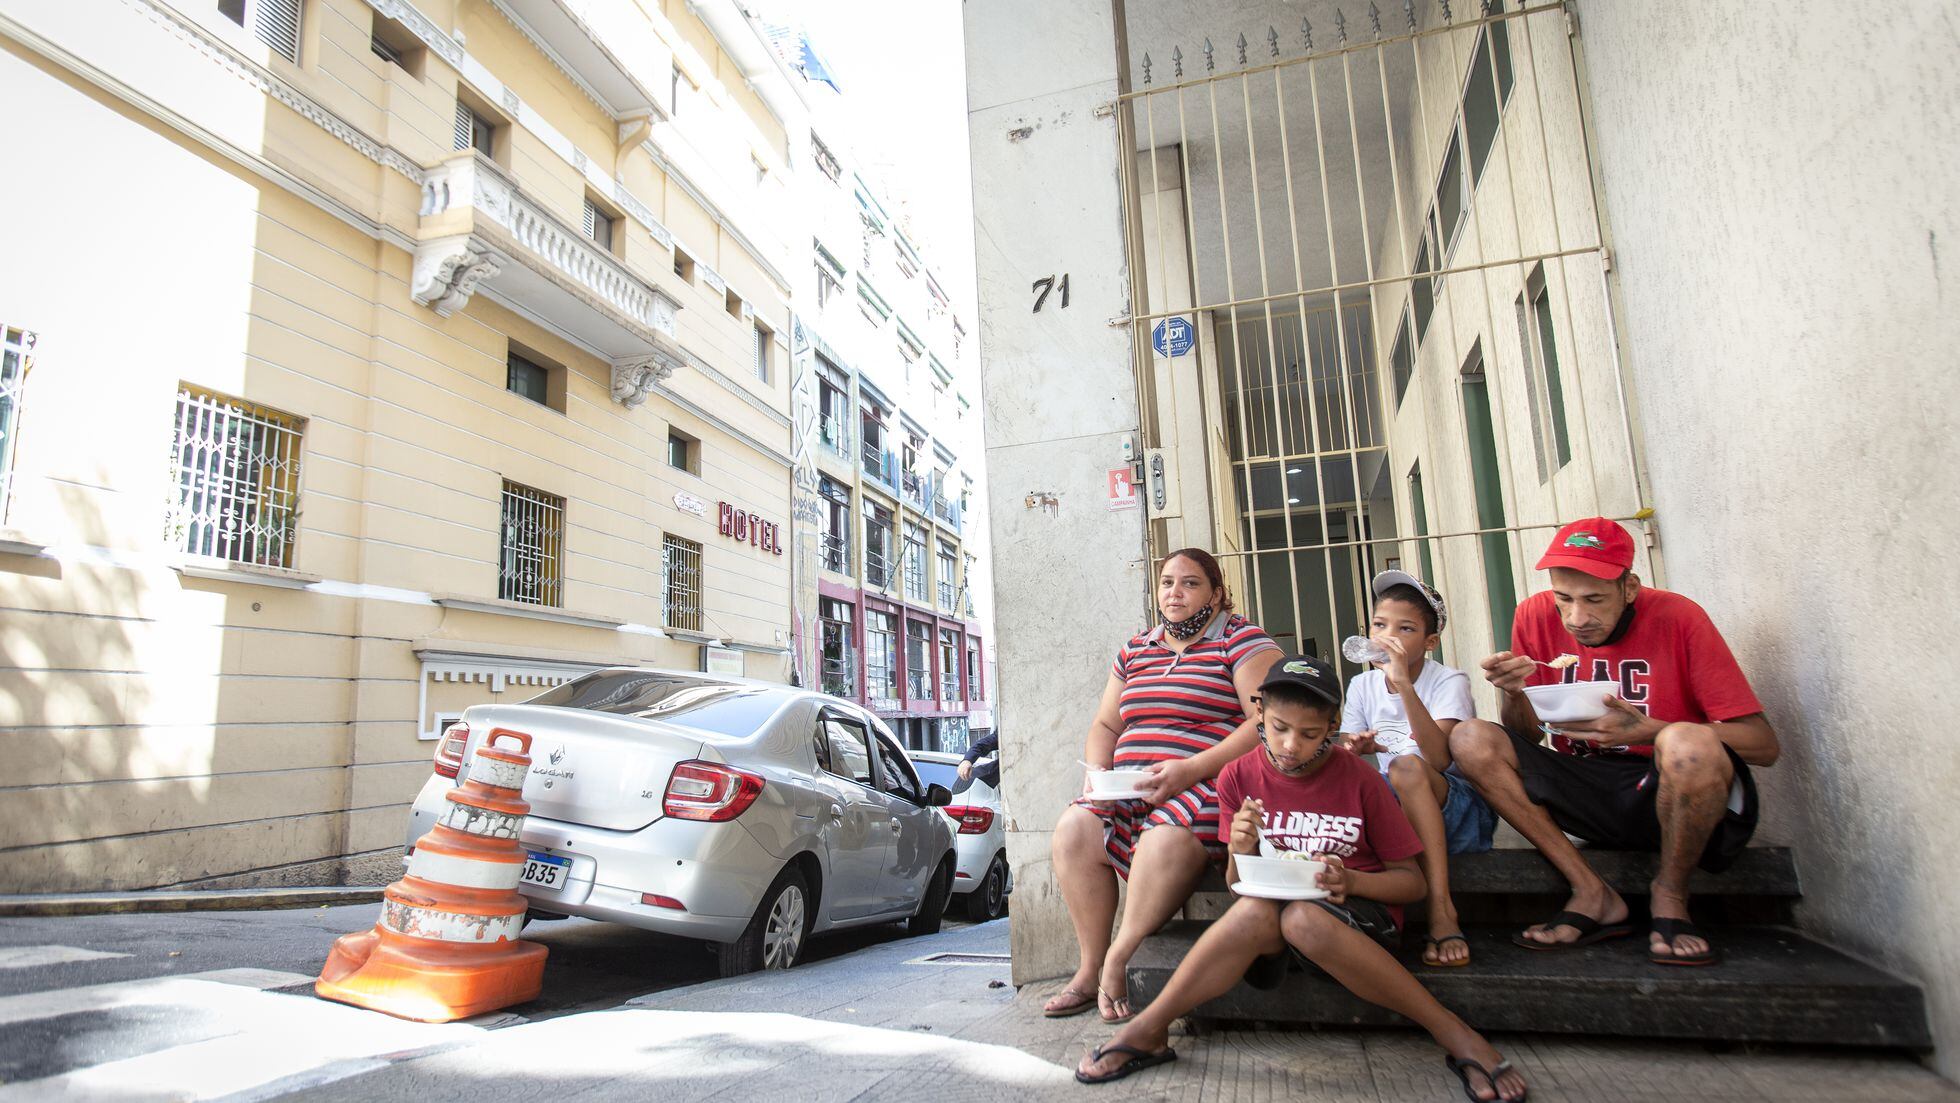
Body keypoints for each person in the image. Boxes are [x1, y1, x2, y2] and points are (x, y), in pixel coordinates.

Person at [1074, 656, 1528, 1102]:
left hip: (1358, 923)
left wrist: (1349, 880)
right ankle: (1149, 1029)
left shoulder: (1362, 780)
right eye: (1279, 729)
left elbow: (1411, 884)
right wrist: (1240, 846)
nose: (1291, 745)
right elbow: (1237, 884)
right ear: (1259, 717)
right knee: (1261, 910)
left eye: (1309, 734)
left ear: (1333, 727)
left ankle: (1454, 1033)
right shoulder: (1238, 774)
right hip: (1274, 926)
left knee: (1302, 921)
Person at [1448, 518, 1778, 966]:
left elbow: (1763, 744)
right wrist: (1512, 693)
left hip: (1670, 787)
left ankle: (1670, 895)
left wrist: (1652, 730)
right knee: (1470, 737)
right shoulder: (1533, 615)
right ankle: (1590, 891)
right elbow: (1526, 736)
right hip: (1586, 788)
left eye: (1594, 599)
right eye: (1564, 598)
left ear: (1630, 588)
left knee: (1686, 742)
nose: (1576, 619)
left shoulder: (1679, 617)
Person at [1044, 548, 1282, 1025]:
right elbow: (1106, 725)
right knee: (1073, 828)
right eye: (1168, 582)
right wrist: (1098, 774)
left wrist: (1190, 769)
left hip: (1207, 782)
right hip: (1128, 787)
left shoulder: (1240, 639)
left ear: (1215, 594)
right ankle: (1090, 968)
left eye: (1190, 583)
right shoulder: (1136, 649)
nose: (1175, 592)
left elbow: (1265, 721)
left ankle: (1121, 957)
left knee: (1164, 835)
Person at [1341, 571, 1494, 966]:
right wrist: (1357, 747)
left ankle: (1441, 909)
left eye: (1404, 628)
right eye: (1380, 625)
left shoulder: (1449, 681)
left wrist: (1404, 687)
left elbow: (1441, 760)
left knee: (1406, 768)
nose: (1388, 637)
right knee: (1365, 781)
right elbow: (1345, 751)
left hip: (1455, 811)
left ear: (1430, 642)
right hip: (1398, 809)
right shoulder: (1361, 687)